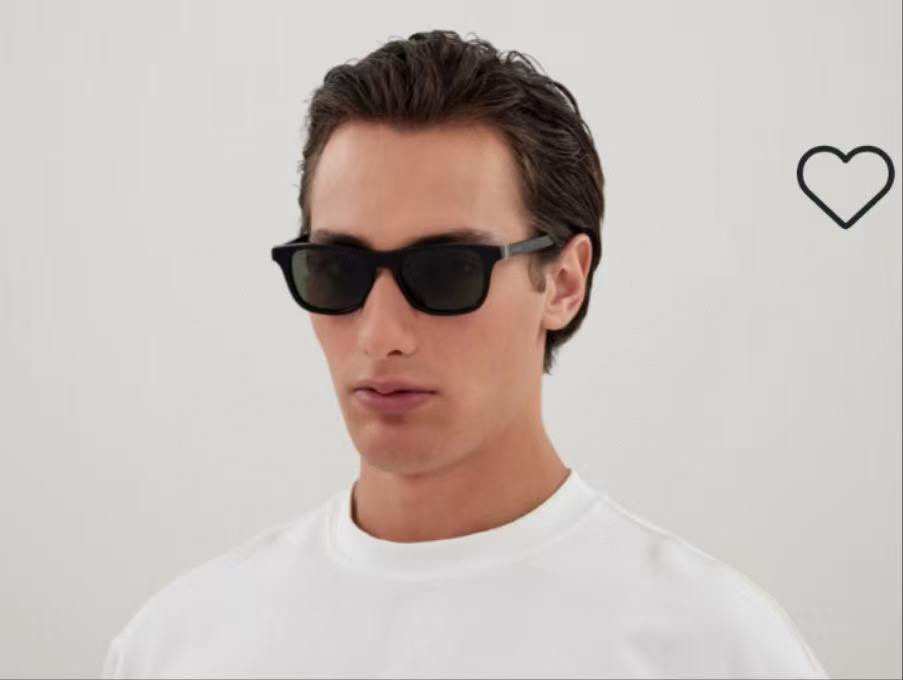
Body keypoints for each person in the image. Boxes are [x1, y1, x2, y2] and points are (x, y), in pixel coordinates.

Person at [102, 29, 828, 678]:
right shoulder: (179, 646)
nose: (381, 332)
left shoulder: (712, 650)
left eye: (447, 271)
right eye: (337, 271)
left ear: (564, 283)